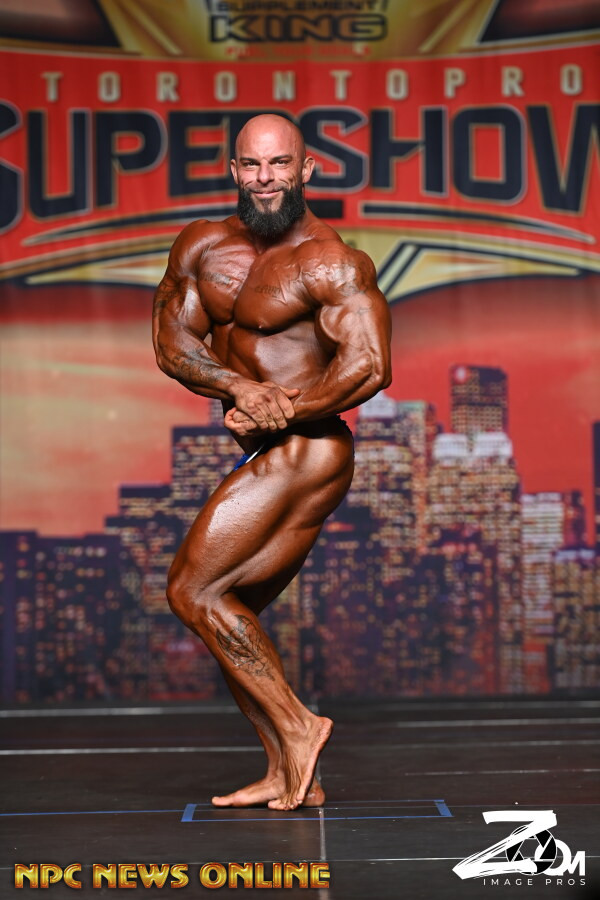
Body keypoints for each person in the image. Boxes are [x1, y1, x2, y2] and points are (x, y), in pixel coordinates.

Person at [152, 113, 391, 811]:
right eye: (252, 165)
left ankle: (300, 726)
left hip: (309, 447)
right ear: (234, 170)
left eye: (280, 164)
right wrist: (239, 387)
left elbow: (370, 366)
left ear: (305, 169)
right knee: (232, 611)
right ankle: (291, 773)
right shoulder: (201, 245)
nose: (265, 179)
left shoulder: (330, 260)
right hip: (266, 443)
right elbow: (172, 343)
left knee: (192, 591)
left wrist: (283, 409)